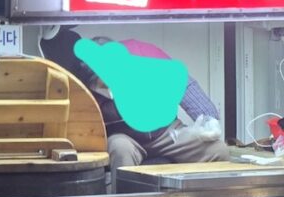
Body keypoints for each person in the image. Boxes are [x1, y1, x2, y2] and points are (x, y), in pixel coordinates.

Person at [40, 28, 231, 173]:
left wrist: (208, 118)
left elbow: (184, 84)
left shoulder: (143, 60)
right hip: (125, 137)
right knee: (120, 149)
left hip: (167, 133)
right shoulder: (83, 86)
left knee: (218, 150)